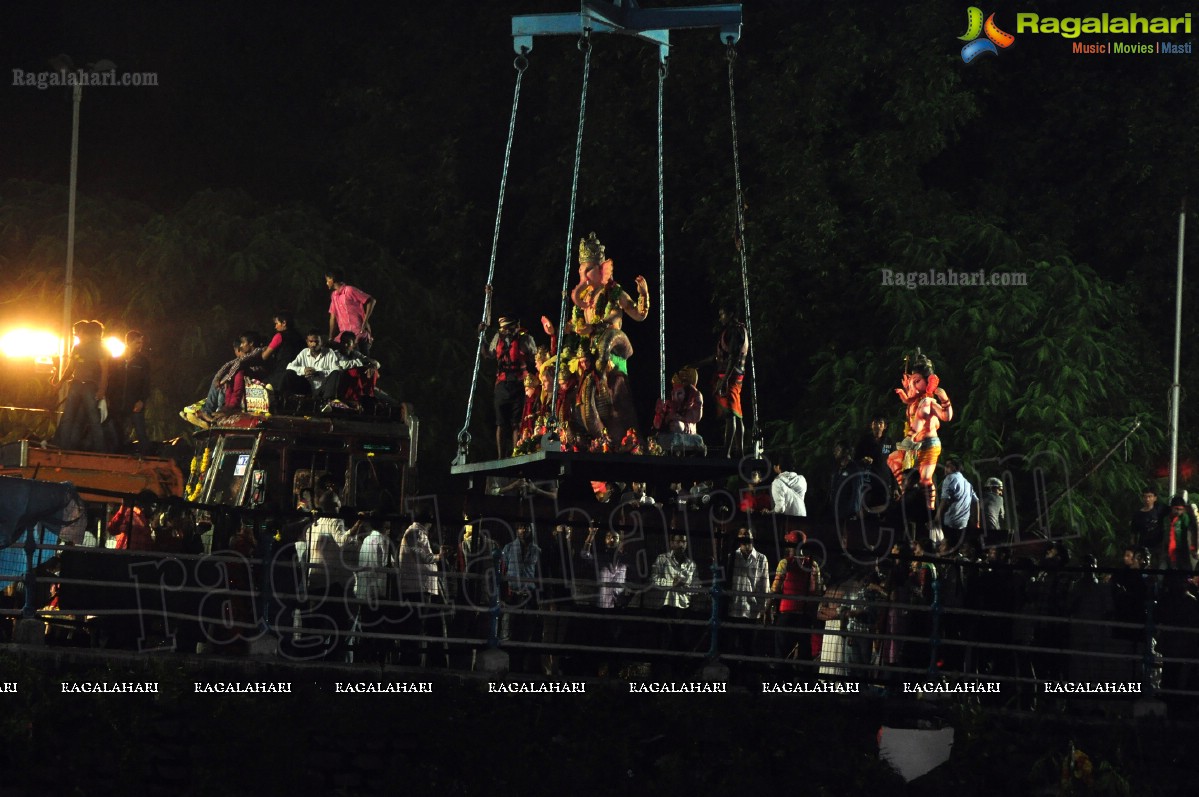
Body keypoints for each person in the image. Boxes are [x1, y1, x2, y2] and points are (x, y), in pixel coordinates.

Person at [887, 352, 952, 510]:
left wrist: (945, 400)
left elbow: (946, 416)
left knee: (925, 480)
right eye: (912, 382)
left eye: (917, 381)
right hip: (915, 445)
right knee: (893, 459)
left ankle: (930, 509)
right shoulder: (916, 401)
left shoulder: (928, 401)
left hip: (929, 445)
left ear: (927, 381)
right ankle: (906, 489)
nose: (914, 386)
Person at [694, 307, 749, 458]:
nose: (721, 318)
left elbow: (732, 358)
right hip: (733, 376)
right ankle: (739, 450)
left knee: (731, 413)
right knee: (736, 412)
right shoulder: (734, 330)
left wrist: (723, 381)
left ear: (731, 314)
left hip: (730, 376)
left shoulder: (735, 332)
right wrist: (700, 363)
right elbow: (720, 356)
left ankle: (727, 451)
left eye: (722, 314)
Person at [52, 319, 109, 452]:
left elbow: (105, 370)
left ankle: (99, 450)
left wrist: (102, 389)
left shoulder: (99, 347)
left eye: (78, 333)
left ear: (84, 332)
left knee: (89, 417)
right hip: (78, 384)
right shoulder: (78, 347)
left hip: (89, 385)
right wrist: (60, 383)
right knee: (72, 416)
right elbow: (71, 367)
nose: (77, 335)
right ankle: (64, 448)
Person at [485, 316, 537, 458]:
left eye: (509, 328)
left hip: (518, 384)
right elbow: (488, 354)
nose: (507, 331)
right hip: (502, 384)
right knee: (501, 423)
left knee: (516, 423)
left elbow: (534, 357)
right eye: (504, 329)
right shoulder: (498, 339)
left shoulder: (525, 339)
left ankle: (515, 454)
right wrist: (481, 337)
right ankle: (501, 456)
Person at [770, 531, 821, 665]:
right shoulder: (814, 565)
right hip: (804, 616)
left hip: (786, 614)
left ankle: (780, 683)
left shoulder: (784, 563)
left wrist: (769, 606)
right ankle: (803, 683)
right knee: (804, 655)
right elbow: (817, 591)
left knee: (781, 654)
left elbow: (775, 588)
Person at [651, 531, 696, 676]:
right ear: (671, 543)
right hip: (666, 606)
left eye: (683, 542)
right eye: (677, 541)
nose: (680, 544)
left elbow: (696, 587)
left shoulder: (691, 564)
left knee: (681, 643)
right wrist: (672, 583)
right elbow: (654, 579)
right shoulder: (662, 559)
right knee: (664, 642)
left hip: (683, 607)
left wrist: (685, 587)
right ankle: (661, 676)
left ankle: (677, 677)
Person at [725, 527, 770, 667]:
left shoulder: (762, 559)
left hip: (752, 611)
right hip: (733, 609)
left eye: (747, 535)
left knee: (749, 650)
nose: (744, 538)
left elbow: (764, 585)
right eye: (742, 535)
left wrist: (764, 609)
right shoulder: (731, 557)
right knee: (730, 650)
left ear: (753, 537)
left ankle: (747, 680)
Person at [501, 522, 542, 672]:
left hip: (529, 598)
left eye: (526, 527)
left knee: (527, 635)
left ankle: (522, 670)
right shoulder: (509, 548)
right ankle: (513, 669)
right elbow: (502, 573)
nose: (523, 529)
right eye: (520, 527)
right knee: (511, 633)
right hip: (513, 596)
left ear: (531, 529)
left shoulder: (536, 551)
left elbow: (539, 576)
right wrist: (504, 596)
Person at [110, 329, 150, 454]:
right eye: (137, 343)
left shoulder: (143, 361)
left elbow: (146, 383)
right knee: (118, 432)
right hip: (118, 403)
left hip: (135, 402)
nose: (140, 346)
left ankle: (146, 456)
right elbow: (112, 381)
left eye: (141, 343)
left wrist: (142, 400)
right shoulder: (117, 360)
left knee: (140, 431)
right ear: (129, 342)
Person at [286, 330, 347, 411]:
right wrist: (303, 370)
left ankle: (326, 403)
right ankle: (290, 402)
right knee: (289, 373)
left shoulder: (329, 352)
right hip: (307, 388)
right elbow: (289, 367)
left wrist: (318, 373)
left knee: (336, 373)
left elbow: (336, 369)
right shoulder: (304, 352)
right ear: (307, 342)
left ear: (321, 342)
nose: (314, 344)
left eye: (316, 342)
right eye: (311, 341)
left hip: (324, 389)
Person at [260, 311, 306, 408]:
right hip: (298, 374)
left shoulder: (279, 336)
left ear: (284, 323)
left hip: (280, 373)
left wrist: (263, 350)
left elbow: (264, 356)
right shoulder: (300, 337)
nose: (275, 327)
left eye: (277, 323)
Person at [326, 269, 376, 355]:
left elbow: (371, 301)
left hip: (359, 334)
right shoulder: (334, 296)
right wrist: (330, 337)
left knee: (363, 364)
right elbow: (333, 317)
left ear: (332, 279)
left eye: (327, 280)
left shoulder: (349, 290)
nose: (326, 283)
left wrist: (365, 322)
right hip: (345, 336)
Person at [935, 458, 978, 551]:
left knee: (943, 548)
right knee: (955, 549)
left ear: (954, 467)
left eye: (947, 466)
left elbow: (945, 500)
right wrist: (976, 522)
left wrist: (937, 519)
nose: (945, 469)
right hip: (963, 525)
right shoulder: (967, 483)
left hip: (949, 524)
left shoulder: (949, 478)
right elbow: (976, 501)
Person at [1130, 487, 1165, 551]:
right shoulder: (1137, 514)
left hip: (1159, 546)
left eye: (1150, 496)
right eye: (1145, 497)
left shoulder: (1160, 510)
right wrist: (1133, 547)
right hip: (1143, 546)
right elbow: (1133, 533)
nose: (1147, 499)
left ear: (1155, 498)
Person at [980, 477, 1006, 545]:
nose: (1001, 493)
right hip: (994, 530)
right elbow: (1002, 517)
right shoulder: (1000, 499)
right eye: (1000, 490)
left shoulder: (980, 496)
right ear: (992, 488)